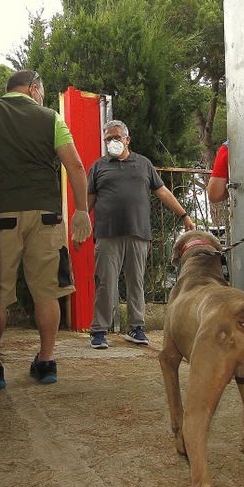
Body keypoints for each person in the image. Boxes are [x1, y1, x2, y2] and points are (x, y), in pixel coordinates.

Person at [0, 70, 91, 390]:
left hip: (1, 215)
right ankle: (46, 362)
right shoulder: (51, 118)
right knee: (47, 293)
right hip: (46, 216)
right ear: (33, 88)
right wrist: (82, 211)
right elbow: (75, 165)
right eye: (41, 91)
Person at [87, 120, 196, 349]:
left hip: (138, 233)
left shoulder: (144, 164)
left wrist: (184, 215)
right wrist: (78, 225)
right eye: (108, 139)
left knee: (136, 282)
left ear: (127, 139)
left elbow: (163, 192)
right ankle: (99, 330)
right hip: (107, 233)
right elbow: (89, 200)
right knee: (105, 282)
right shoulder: (98, 167)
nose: (112, 142)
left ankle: (137, 328)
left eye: (116, 137)